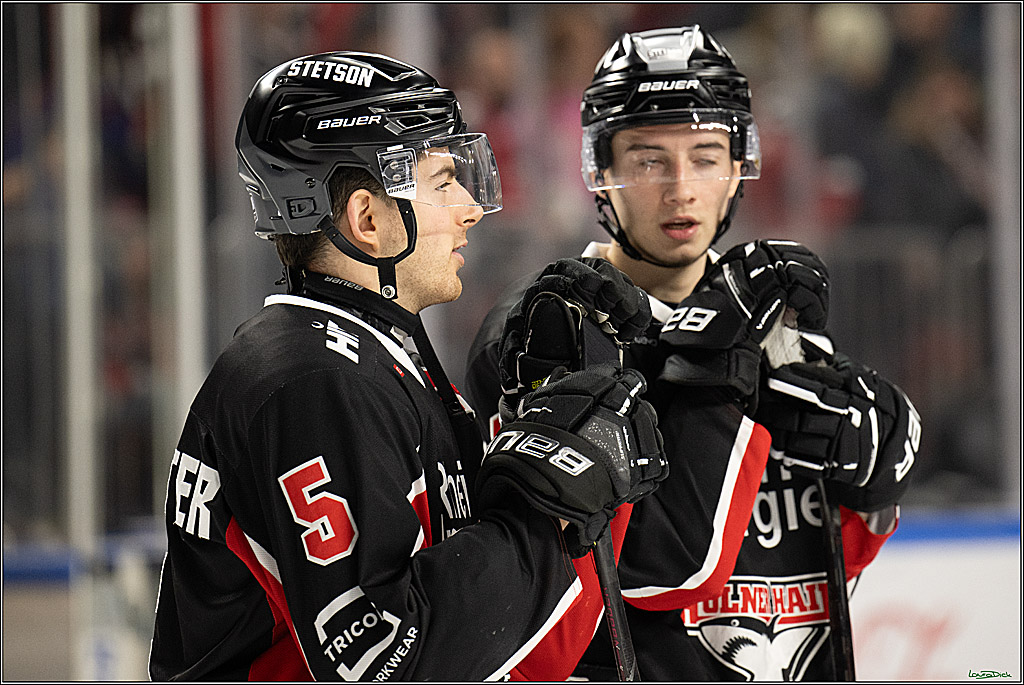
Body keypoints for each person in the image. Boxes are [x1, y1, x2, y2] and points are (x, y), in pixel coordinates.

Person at [148, 50, 668, 681]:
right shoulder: (316, 384)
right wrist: (550, 507)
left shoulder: (362, 349)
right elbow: (383, 657)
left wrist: (531, 407)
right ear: (367, 218)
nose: (469, 209)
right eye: (443, 182)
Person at [466, 26, 921, 681]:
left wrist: (877, 487)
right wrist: (713, 343)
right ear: (601, 170)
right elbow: (646, 571)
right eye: (649, 159)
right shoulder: (543, 327)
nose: (681, 188)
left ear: (739, 166)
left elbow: (818, 559)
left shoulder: (778, 313)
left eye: (706, 156)